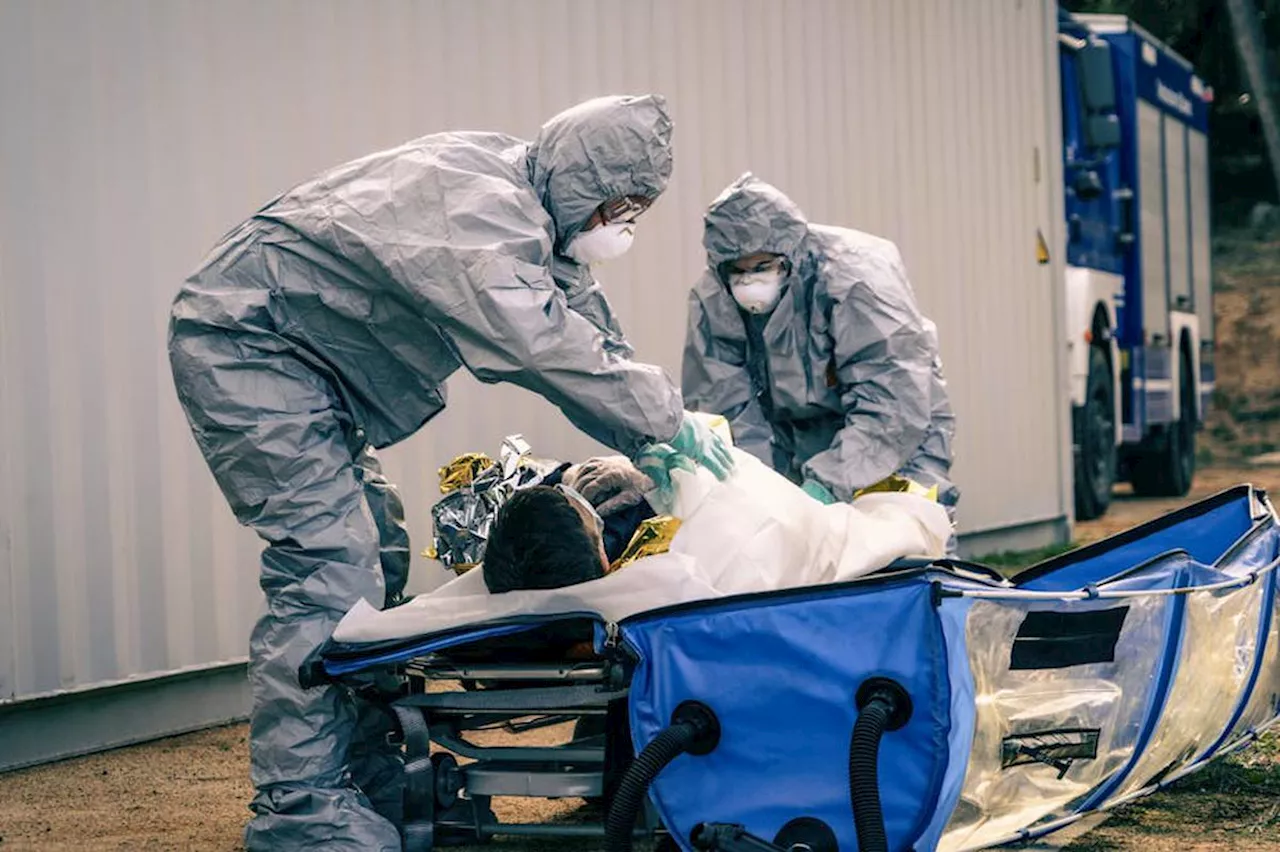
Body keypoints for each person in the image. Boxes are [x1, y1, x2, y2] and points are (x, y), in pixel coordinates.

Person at [167, 95, 733, 851]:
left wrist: (651, 436)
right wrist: (664, 421)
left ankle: (365, 785)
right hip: (247, 343)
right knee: (329, 562)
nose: (622, 226)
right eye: (618, 206)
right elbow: (536, 339)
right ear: (581, 181)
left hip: (301, 363)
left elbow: (589, 333)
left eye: (636, 211)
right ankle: (300, 812)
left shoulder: (536, 218)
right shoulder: (483, 208)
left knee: (379, 548)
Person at [682, 173, 959, 543]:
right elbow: (726, 409)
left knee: (910, 539)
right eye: (738, 269)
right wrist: (762, 491)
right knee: (797, 545)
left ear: (790, 254)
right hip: (795, 432)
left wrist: (827, 485)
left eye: (763, 265)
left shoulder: (856, 279)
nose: (749, 281)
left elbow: (893, 401)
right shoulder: (715, 297)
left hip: (900, 427)